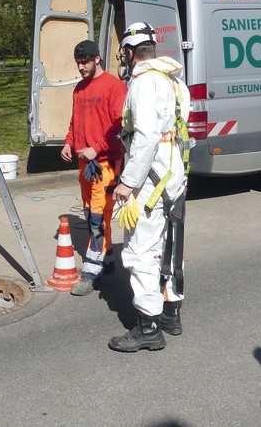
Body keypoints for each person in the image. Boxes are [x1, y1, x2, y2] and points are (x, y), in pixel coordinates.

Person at [108, 22, 191, 352]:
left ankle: (148, 327)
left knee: (141, 250)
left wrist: (127, 183)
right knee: (172, 244)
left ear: (129, 53)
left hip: (151, 180)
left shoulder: (143, 83)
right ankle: (171, 312)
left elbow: (144, 138)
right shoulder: (174, 80)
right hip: (175, 177)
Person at [61, 40, 128, 296]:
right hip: (83, 163)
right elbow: (74, 121)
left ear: (97, 59)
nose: (81, 67)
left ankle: (90, 273)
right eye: (78, 62)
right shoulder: (79, 89)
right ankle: (107, 258)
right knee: (91, 213)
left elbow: (119, 127)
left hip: (104, 163)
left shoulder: (114, 86)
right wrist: (69, 142)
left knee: (98, 217)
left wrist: (96, 148)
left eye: (85, 61)